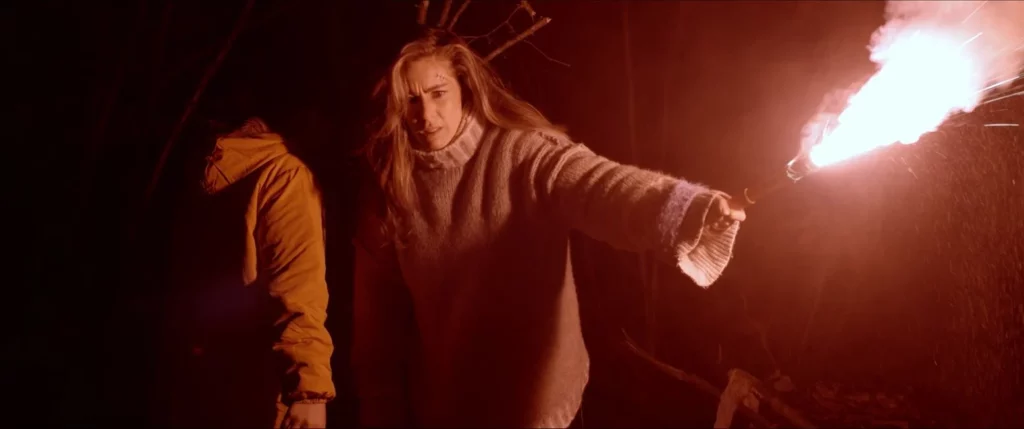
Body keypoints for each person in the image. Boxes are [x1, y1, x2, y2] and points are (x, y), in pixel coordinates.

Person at [352, 27, 745, 428]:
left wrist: (685, 208)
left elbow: (598, 184)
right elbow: (376, 323)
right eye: (410, 100)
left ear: (463, 86)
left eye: (438, 93)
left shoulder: (521, 152)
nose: (425, 115)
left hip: (540, 407)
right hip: (450, 408)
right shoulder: (390, 188)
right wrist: (380, 410)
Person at [157, 117, 335, 428]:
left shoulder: (198, 170)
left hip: (193, 387)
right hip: (257, 391)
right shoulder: (284, 175)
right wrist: (309, 392)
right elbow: (297, 286)